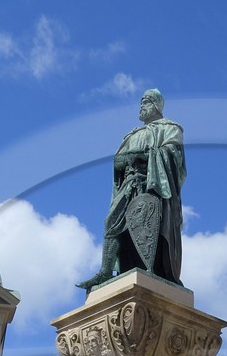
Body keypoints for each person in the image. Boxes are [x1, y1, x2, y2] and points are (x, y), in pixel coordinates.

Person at [78, 88, 186, 290]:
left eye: (146, 102)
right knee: (112, 222)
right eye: (141, 102)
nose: (141, 106)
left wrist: (142, 155)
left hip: (151, 186)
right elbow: (118, 162)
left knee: (147, 222)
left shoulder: (171, 128)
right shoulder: (131, 135)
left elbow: (173, 156)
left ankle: (151, 267)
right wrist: (124, 160)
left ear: (156, 105)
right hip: (128, 185)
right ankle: (105, 271)